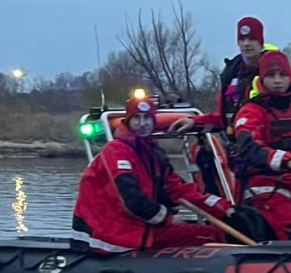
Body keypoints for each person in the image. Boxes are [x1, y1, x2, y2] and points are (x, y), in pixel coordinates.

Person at [71, 94, 236, 254]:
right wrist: (167, 219)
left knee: (212, 232)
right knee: (207, 235)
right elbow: (133, 200)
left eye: (147, 118)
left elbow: (178, 190)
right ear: (128, 121)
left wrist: (225, 209)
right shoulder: (116, 151)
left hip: (138, 225)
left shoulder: (151, 153)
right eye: (137, 118)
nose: (143, 123)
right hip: (115, 233)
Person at [231, 50, 291, 241]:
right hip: (264, 189)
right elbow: (249, 147)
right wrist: (290, 162)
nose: (278, 81)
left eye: (283, 75)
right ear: (262, 78)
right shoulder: (251, 111)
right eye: (272, 75)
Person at [168, 17, 291, 145]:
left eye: (252, 39)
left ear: (261, 41)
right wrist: (195, 122)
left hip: (272, 149)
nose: (246, 44)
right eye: (242, 40)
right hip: (241, 151)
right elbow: (224, 118)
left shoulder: (276, 69)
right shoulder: (232, 74)